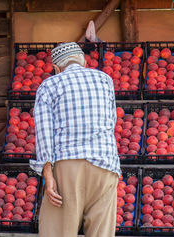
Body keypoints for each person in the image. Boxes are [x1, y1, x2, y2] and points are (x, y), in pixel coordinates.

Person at [30, 42, 121, 237]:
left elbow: (44, 133)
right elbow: (111, 122)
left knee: (58, 232)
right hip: (105, 165)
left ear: (56, 68)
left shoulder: (49, 85)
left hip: (68, 166)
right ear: (84, 62)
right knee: (101, 233)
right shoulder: (105, 80)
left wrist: (48, 173)